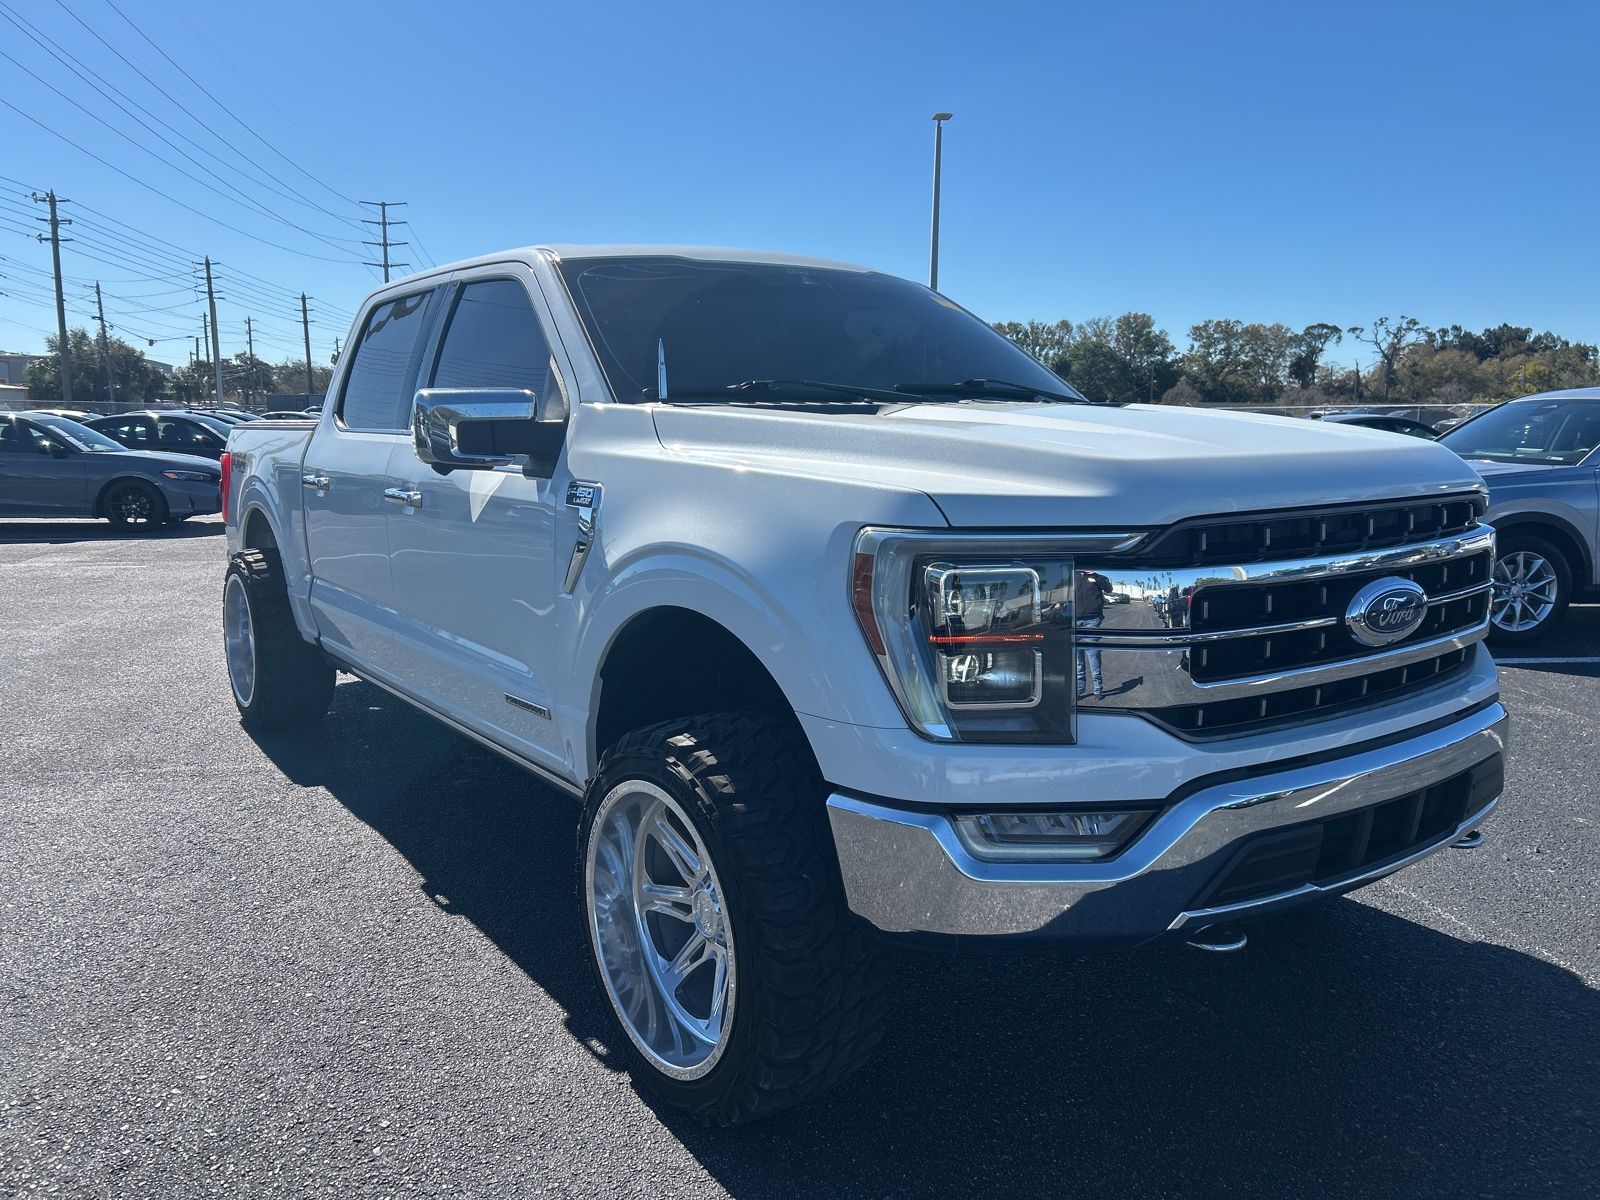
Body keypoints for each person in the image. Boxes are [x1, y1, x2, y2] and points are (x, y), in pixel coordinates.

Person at [1075, 569, 1113, 699]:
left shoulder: (1097, 577)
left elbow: (1109, 589)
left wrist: (1096, 576)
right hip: (1074, 621)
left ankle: (1098, 690)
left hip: (1092, 620)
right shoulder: (1070, 576)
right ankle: (1080, 690)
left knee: (1093, 655)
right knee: (1078, 659)